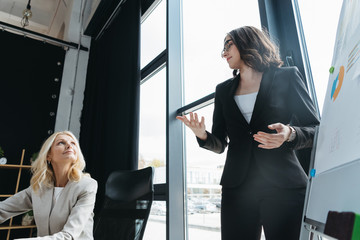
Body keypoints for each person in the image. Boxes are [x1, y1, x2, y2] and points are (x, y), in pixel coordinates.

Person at [177, 26, 320, 240]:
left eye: (228, 44)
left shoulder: (287, 77)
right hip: (238, 189)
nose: (224, 53)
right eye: (222, 48)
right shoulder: (223, 90)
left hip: (284, 186)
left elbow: (314, 128)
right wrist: (202, 135)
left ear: (247, 41)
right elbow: (220, 144)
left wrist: (289, 133)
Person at [0, 131, 98, 239]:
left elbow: (69, 236)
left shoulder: (86, 186)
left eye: (73, 143)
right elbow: (3, 209)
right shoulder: (39, 188)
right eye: (61, 143)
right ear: (48, 155)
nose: (69, 145)